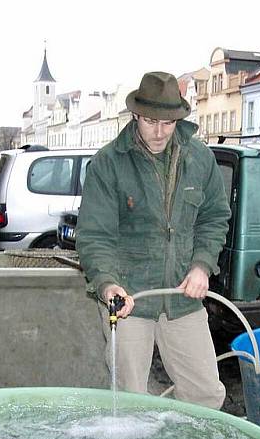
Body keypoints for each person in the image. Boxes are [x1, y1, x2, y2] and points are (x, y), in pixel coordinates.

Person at [76, 71, 231, 409]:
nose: (159, 132)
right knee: (130, 400)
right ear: (136, 115)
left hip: (182, 296)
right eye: (150, 121)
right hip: (129, 298)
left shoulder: (200, 158)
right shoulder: (108, 164)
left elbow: (214, 218)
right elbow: (94, 236)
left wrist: (202, 266)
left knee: (205, 393)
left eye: (168, 123)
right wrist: (107, 284)